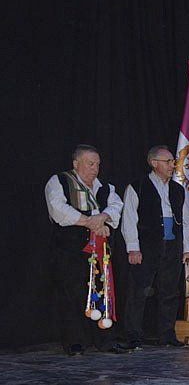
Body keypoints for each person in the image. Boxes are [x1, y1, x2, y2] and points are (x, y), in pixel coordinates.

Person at [44, 144, 127, 355]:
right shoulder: (60, 181)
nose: (95, 169)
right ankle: (75, 342)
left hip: (99, 251)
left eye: (97, 164)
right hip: (69, 250)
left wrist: (103, 217)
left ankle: (106, 340)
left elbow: (116, 206)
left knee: (102, 292)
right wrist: (90, 222)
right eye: (90, 164)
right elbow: (58, 209)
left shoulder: (105, 187)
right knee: (71, 295)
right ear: (76, 164)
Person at [120, 146, 189, 350]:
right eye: (168, 161)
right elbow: (129, 219)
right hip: (147, 246)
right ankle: (133, 334)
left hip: (172, 246)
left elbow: (186, 221)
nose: (172, 165)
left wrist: (187, 248)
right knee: (138, 291)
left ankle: (166, 334)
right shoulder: (138, 187)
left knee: (170, 291)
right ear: (154, 163)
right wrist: (133, 248)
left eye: (173, 162)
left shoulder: (178, 190)